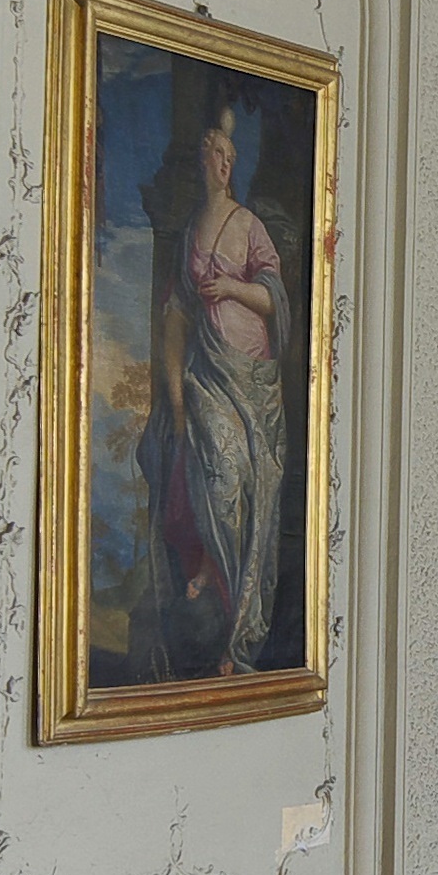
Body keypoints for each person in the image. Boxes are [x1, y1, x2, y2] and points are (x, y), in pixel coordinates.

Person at [131, 96, 293, 676]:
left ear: (234, 164)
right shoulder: (189, 234)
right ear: (204, 164)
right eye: (213, 155)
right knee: (214, 474)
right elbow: (177, 309)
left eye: (227, 155)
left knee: (246, 479)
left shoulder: (246, 224)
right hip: (205, 372)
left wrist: (231, 290)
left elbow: (273, 295)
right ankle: (208, 568)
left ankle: (237, 615)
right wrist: (173, 391)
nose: (220, 164)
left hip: (251, 373)